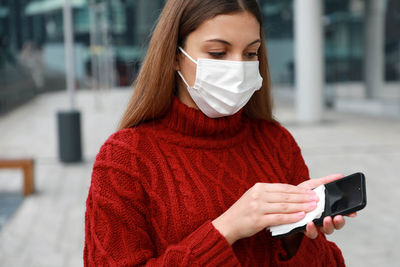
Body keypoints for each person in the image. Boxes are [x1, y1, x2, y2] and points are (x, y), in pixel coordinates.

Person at [84, 0, 356, 266]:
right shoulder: (124, 158)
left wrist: (297, 237)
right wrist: (227, 227)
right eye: (217, 53)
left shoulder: (276, 142)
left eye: (250, 54)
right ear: (176, 56)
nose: (238, 68)